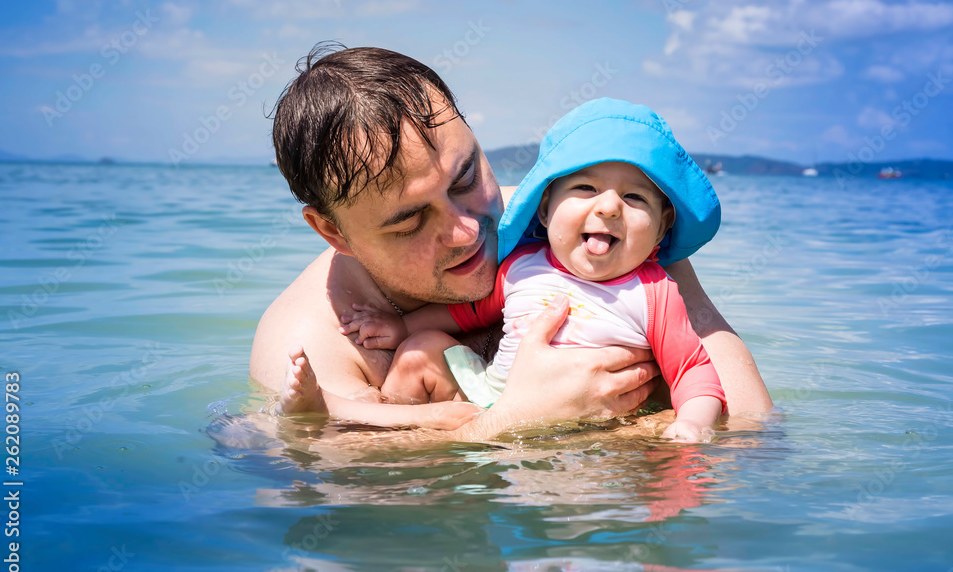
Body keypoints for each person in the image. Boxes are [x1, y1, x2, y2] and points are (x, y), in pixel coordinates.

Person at [249, 44, 772, 441]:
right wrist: (516, 421)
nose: (469, 230)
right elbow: (321, 471)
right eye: (409, 221)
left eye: (465, 178)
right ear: (333, 232)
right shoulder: (309, 342)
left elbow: (750, 427)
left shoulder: (583, 225)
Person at [312, 99, 727, 441]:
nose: (608, 206)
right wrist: (402, 329)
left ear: (660, 229)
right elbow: (468, 314)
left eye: (635, 197)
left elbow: (694, 370)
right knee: (421, 349)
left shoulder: (654, 292)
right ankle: (394, 439)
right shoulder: (521, 266)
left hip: (594, 421)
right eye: (585, 188)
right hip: (495, 398)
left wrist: (691, 423)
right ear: (544, 208)